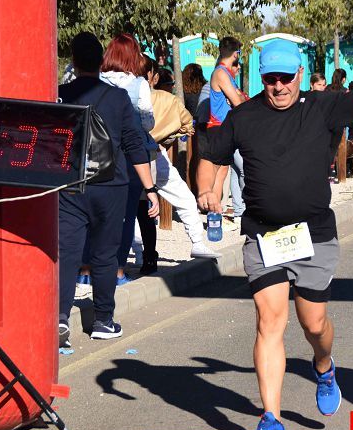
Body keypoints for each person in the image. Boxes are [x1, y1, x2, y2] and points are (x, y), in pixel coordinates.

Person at [196, 15, 353, 430]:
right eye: (271, 78)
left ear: (300, 75)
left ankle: (324, 366)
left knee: (314, 323)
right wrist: (206, 189)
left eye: (287, 77)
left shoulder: (322, 106)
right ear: (260, 78)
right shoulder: (243, 116)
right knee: (270, 321)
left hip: (314, 237)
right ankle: (271, 419)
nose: (280, 86)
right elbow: (211, 155)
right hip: (264, 236)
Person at [58, 33, 159, 347]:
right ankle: (103, 320)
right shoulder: (117, 99)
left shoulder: (59, 95)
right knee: (105, 255)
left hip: (70, 187)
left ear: (73, 60)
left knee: (68, 253)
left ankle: (61, 318)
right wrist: (150, 189)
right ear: (100, 60)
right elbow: (134, 145)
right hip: (111, 186)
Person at [134, 61, 220, 272]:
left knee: (135, 207)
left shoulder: (122, 95)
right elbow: (187, 124)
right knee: (182, 197)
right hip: (155, 153)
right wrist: (168, 135)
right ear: (153, 76)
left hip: (128, 156)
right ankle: (197, 242)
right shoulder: (166, 99)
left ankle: (137, 252)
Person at [100, 34, 157, 285]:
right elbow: (146, 121)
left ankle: (87, 270)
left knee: (98, 215)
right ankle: (118, 270)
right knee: (125, 215)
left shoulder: (97, 80)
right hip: (129, 156)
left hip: (99, 153)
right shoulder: (138, 84)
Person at [199, 37, 246, 228]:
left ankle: (215, 215)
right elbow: (237, 101)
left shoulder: (226, 73)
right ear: (236, 54)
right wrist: (242, 98)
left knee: (223, 173)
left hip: (226, 127)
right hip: (218, 127)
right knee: (216, 170)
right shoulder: (221, 73)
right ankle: (211, 212)